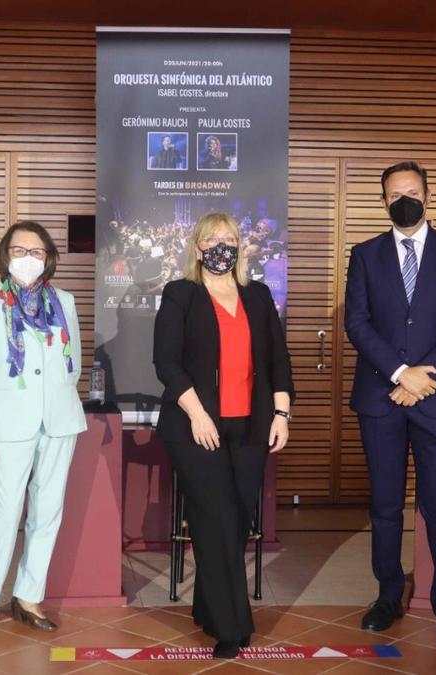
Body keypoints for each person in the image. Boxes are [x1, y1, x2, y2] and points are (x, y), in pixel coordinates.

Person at [344, 161, 436, 656]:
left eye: (413, 191)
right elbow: (357, 324)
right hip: (380, 398)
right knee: (383, 506)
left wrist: (424, 376)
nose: (405, 199)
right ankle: (386, 596)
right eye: (395, 193)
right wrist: (401, 375)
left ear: (428, 195)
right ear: (383, 201)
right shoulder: (364, 254)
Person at [153, 211, 294, 659]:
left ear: (240, 246)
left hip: (250, 427)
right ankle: (232, 625)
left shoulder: (258, 296)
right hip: (196, 428)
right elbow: (166, 363)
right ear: (197, 247)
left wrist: (282, 414)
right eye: (212, 238)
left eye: (229, 238)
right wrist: (196, 413)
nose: (221, 245)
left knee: (234, 525)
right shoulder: (181, 295)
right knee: (215, 520)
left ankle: (208, 608)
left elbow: (278, 362)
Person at [0, 221, 87, 640]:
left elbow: (76, 362)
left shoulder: (64, 301)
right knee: (5, 511)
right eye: (19, 250)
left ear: (48, 258)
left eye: (36, 251)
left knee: (47, 513)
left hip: (60, 421)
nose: (28, 259)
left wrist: (58, 397)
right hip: (9, 424)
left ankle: (28, 596)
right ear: (4, 255)